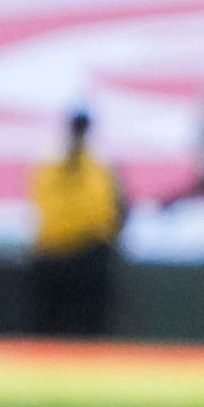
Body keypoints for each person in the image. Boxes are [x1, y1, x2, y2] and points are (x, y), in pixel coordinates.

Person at [24, 108, 124, 338]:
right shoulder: (57, 163)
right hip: (57, 250)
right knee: (52, 325)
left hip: (84, 250)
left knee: (84, 325)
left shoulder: (97, 164)